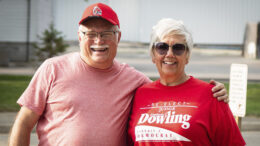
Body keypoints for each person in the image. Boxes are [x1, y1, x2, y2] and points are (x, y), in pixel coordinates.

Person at [8, 3, 228, 146]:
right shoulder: (52, 69)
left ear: (118, 37)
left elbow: (169, 85)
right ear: (79, 36)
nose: (98, 40)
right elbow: (24, 123)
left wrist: (212, 92)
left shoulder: (135, 81)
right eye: (91, 34)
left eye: (106, 33)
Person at [127, 18, 246, 146]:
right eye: (162, 47)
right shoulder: (139, 94)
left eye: (178, 48)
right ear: (153, 55)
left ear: (187, 56)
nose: (170, 54)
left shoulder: (212, 95)